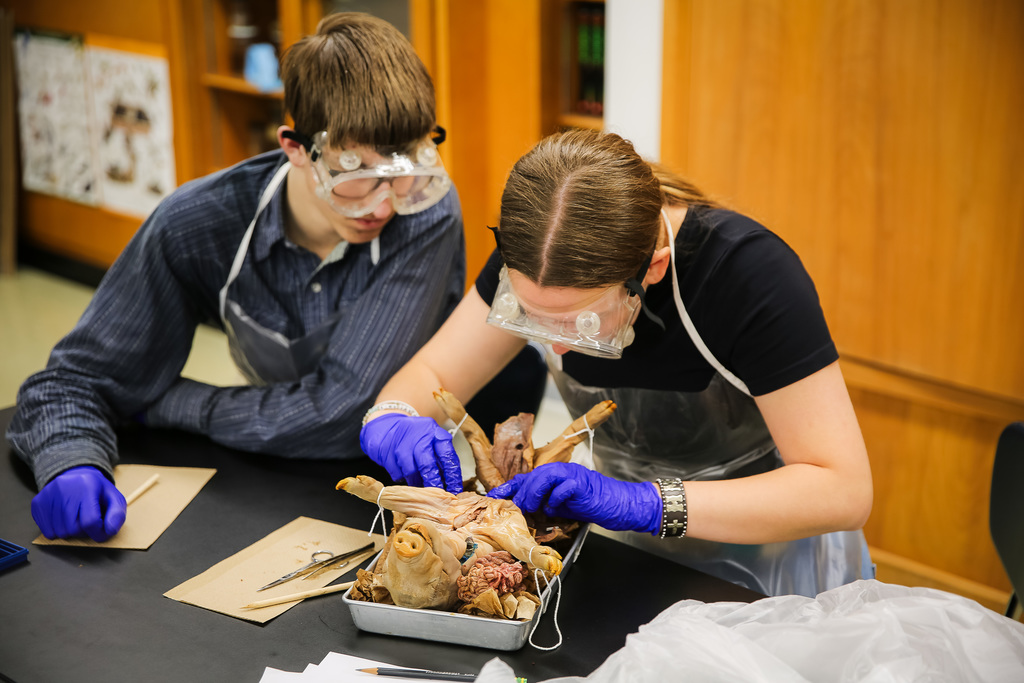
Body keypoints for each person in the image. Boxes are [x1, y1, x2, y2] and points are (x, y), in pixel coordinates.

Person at [7, 13, 544, 543]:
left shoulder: (422, 211)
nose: (384, 203)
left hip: (422, 462)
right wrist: (70, 463)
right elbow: (73, 381)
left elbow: (348, 411)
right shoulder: (197, 225)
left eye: (401, 175)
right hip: (287, 462)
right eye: (356, 179)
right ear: (295, 148)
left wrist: (167, 402)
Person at [359, 128, 875, 597]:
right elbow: (431, 375)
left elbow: (841, 489)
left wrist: (645, 503)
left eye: (579, 325)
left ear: (651, 269)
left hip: (769, 559)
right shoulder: (537, 257)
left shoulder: (749, 276)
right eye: (532, 321)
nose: (555, 349)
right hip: (630, 555)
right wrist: (392, 417)